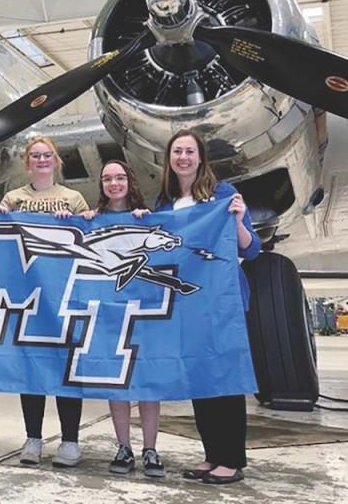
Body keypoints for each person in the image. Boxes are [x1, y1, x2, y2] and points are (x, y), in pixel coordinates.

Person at [154, 129, 260, 485]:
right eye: (177, 151)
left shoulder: (223, 194)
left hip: (221, 302)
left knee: (225, 378)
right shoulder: (165, 203)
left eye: (189, 151)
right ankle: (212, 454)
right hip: (187, 304)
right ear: (170, 159)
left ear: (200, 158)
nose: (183, 157)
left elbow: (251, 248)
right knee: (200, 378)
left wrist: (238, 217)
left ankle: (232, 459)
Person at [0, 136, 89, 467]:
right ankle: (32, 438)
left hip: (64, 295)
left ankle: (70, 441)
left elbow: (89, 235)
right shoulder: (13, 198)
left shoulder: (73, 197)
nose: (41, 160)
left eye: (46, 155)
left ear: (56, 160)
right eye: (34, 156)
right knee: (31, 369)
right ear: (27, 163)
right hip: (28, 297)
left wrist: (83, 219)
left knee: (66, 370)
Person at [81, 160, 164, 477]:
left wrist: (149, 221)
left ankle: (151, 449)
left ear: (130, 180)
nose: (113, 184)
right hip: (109, 313)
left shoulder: (148, 219)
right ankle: (124, 446)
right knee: (117, 384)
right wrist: (83, 220)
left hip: (144, 312)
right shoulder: (94, 219)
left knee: (147, 385)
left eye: (119, 178)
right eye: (107, 179)